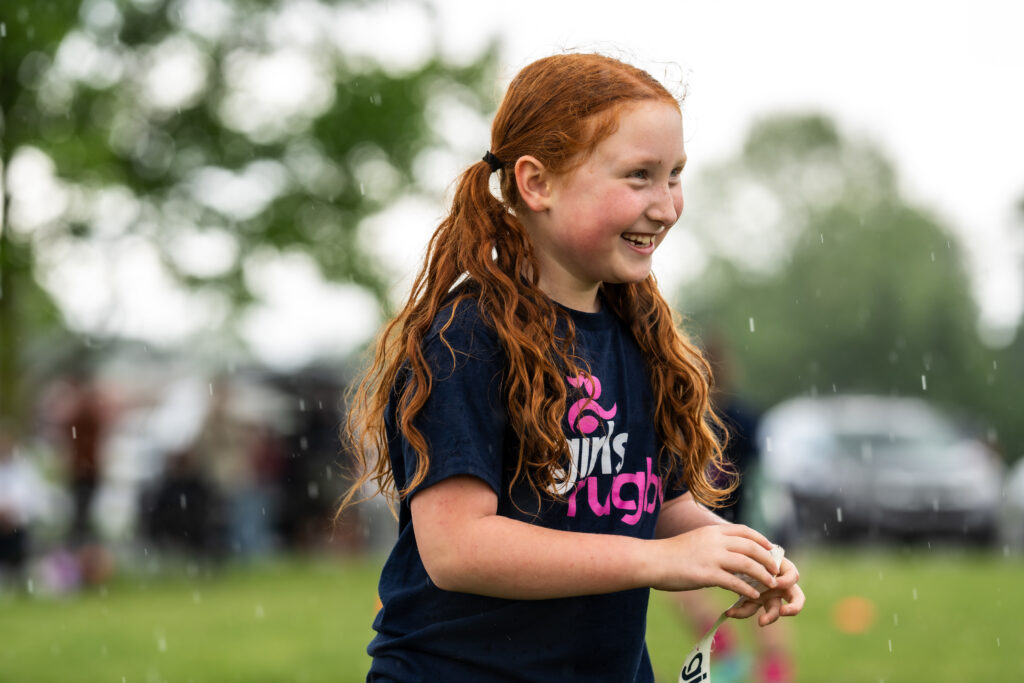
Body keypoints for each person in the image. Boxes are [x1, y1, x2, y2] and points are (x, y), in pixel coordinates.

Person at [340, 52, 804, 682]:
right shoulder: (466, 339)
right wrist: (657, 563)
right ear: (537, 184)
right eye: (639, 176)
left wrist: (740, 553)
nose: (667, 207)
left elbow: (652, 503)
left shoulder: (641, 336)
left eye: (674, 175)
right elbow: (457, 550)